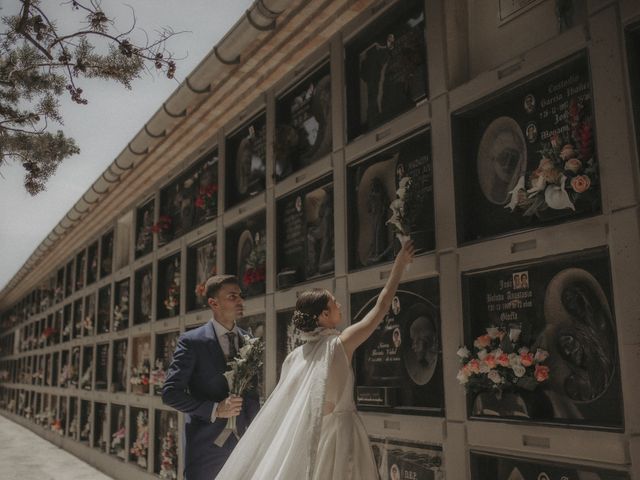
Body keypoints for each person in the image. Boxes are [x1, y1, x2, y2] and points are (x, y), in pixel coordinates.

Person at [218, 241, 415, 479]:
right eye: (334, 303)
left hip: (312, 438)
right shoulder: (340, 344)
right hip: (343, 438)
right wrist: (399, 265)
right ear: (324, 315)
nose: (339, 305)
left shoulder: (294, 357)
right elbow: (382, 306)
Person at [162, 275, 259, 480]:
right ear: (214, 303)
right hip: (206, 447)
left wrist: (257, 434)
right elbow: (170, 393)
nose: (240, 301)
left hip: (243, 446)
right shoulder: (192, 342)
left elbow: (251, 393)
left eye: (240, 296)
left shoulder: (248, 340)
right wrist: (215, 409)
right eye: (232, 296)